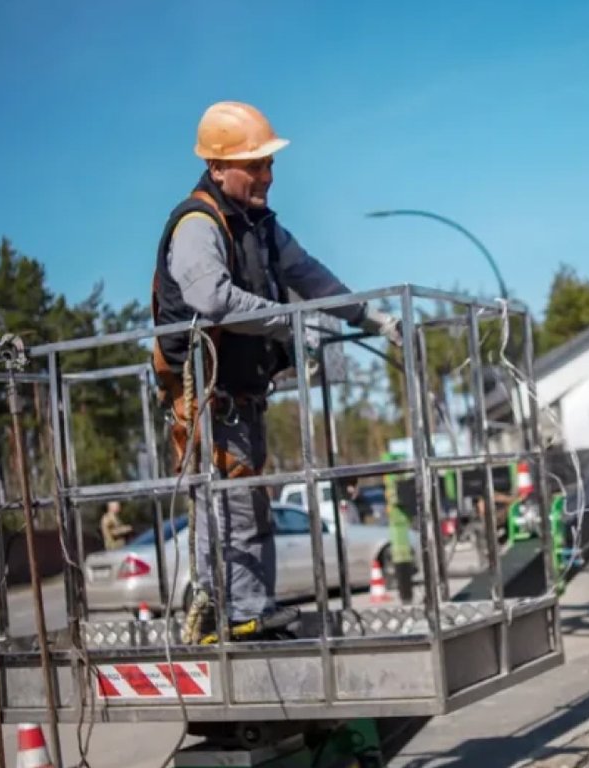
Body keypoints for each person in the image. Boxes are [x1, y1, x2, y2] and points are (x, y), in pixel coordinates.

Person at [150, 100, 403, 639]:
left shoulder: (259, 227)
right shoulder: (199, 224)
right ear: (218, 168)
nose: (267, 175)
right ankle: (236, 612)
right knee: (232, 506)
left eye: (269, 164)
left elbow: (310, 277)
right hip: (206, 398)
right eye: (254, 165)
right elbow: (212, 299)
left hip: (242, 394)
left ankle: (243, 612)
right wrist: (285, 322)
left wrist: (368, 315)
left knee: (247, 506)